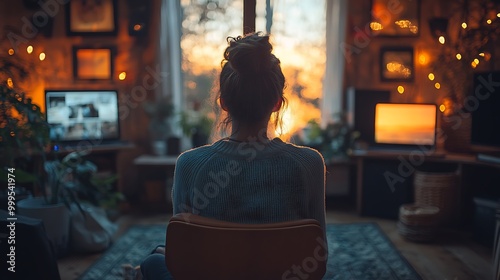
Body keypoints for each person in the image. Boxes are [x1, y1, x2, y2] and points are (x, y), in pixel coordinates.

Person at [139, 32, 327, 280]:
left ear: (224, 102)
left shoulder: (189, 164)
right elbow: (318, 256)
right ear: (277, 103)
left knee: (154, 259)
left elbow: (183, 255)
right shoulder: (310, 164)